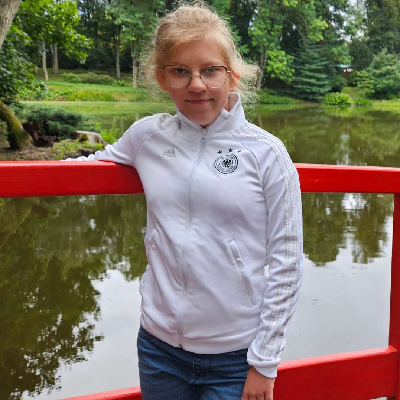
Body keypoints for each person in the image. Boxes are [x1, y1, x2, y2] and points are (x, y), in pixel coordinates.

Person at [68, 3, 303, 399]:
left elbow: (288, 259)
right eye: (180, 71)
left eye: (210, 70)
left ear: (233, 74)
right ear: (162, 77)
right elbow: (86, 167)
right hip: (159, 349)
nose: (197, 85)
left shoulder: (267, 153)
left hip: (236, 356)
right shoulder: (147, 137)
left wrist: (265, 360)